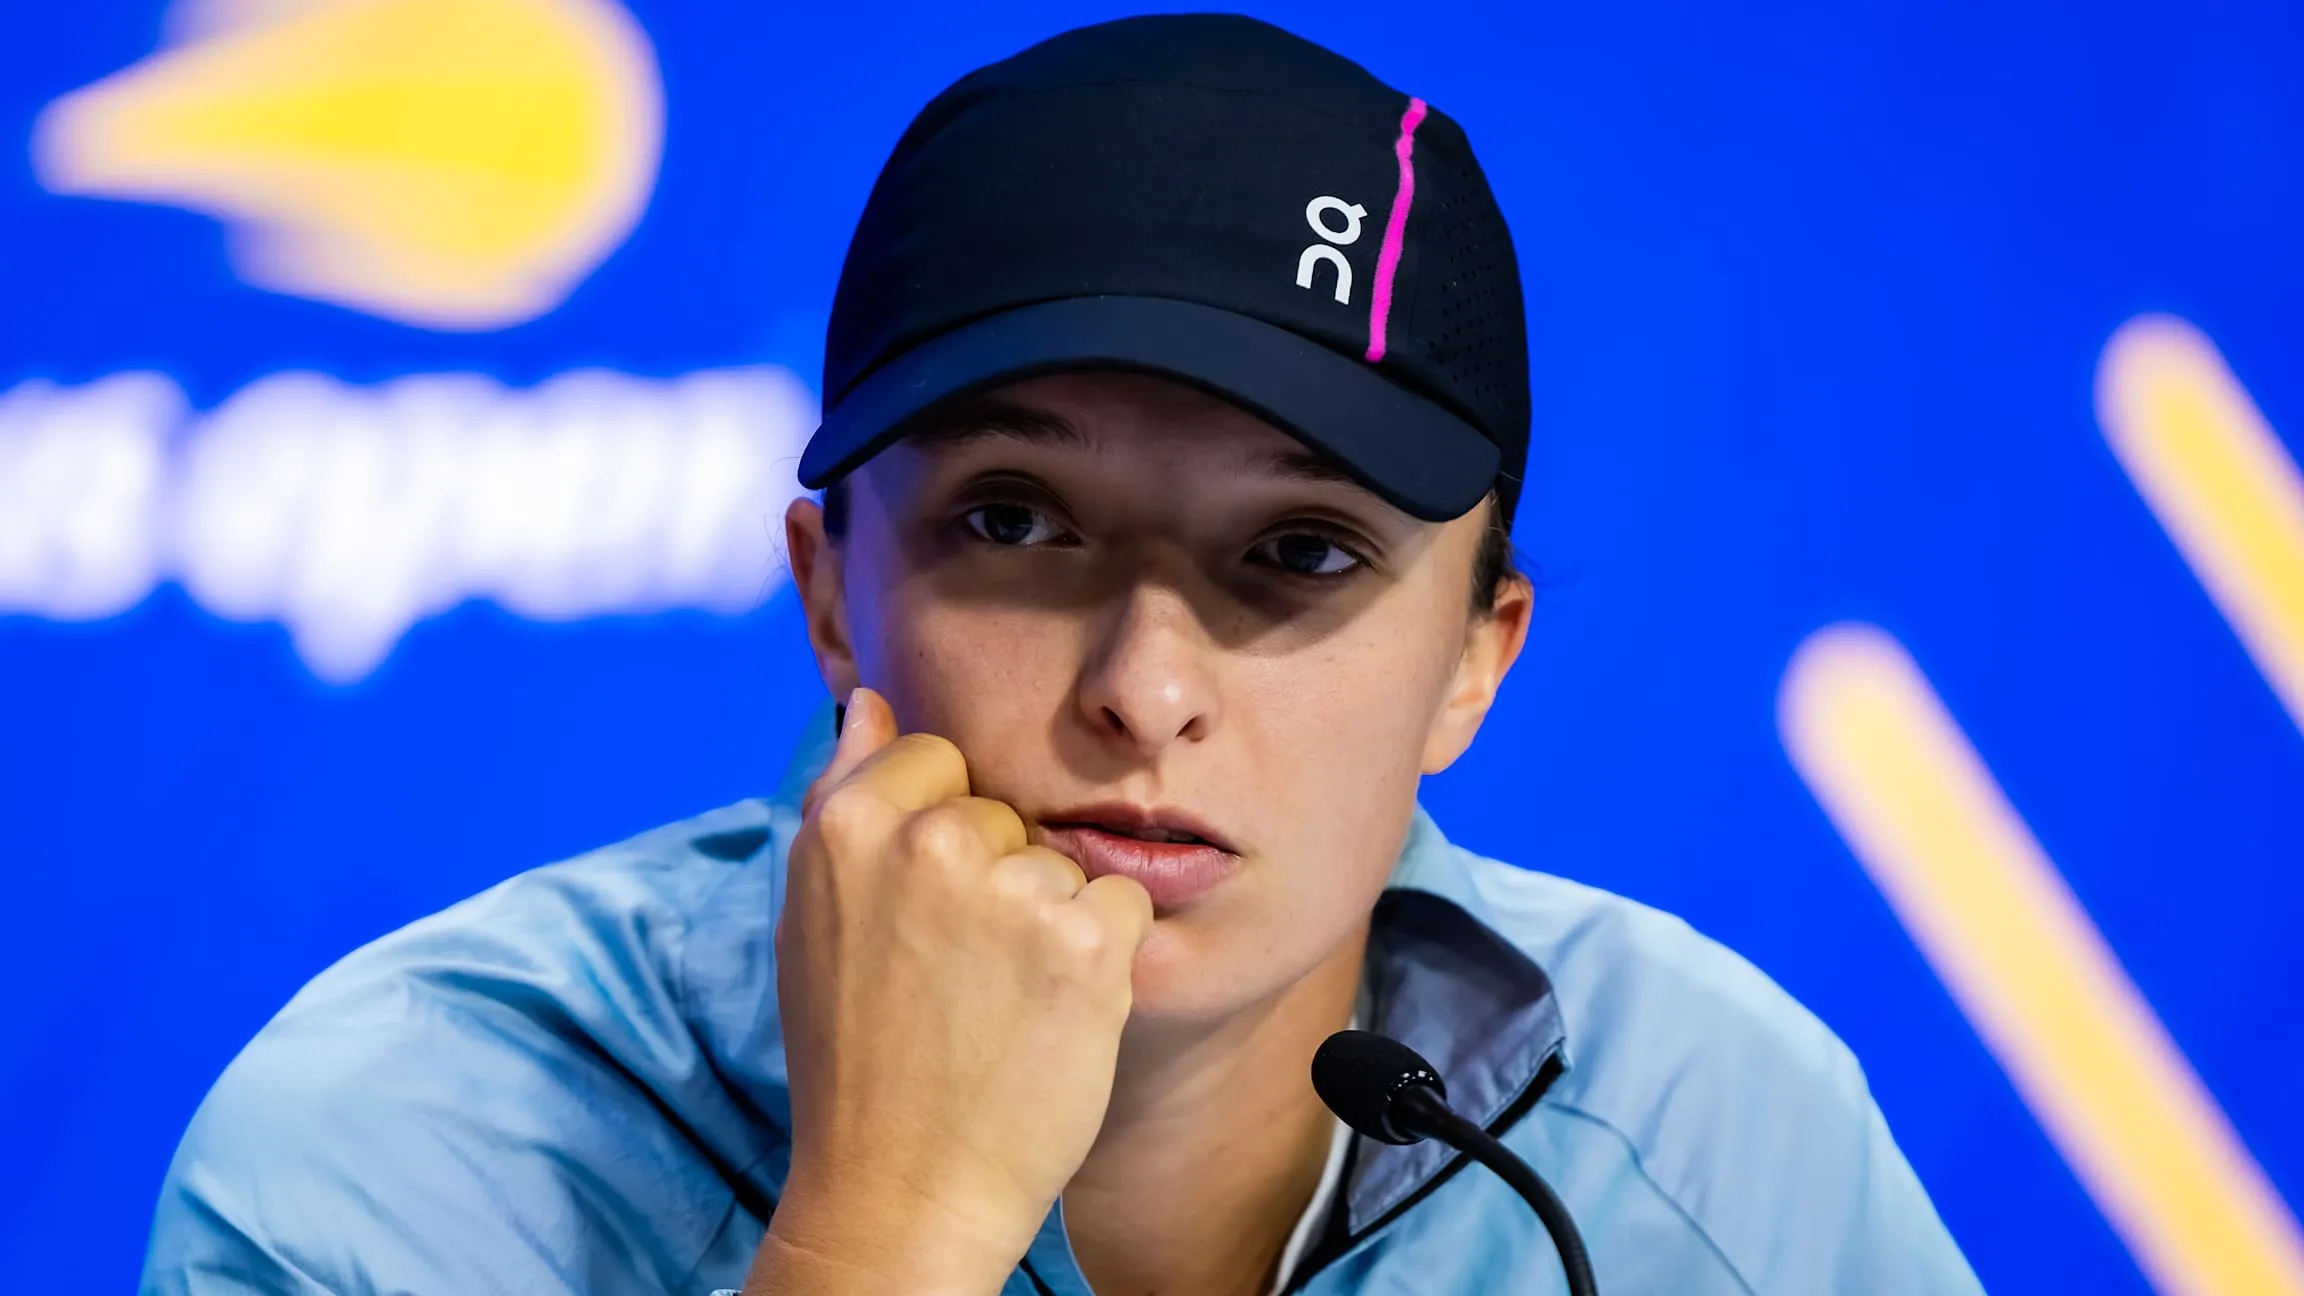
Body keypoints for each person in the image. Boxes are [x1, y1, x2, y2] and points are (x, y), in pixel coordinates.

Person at [142, 14, 1984, 1296]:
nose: (1145, 688)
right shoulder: (406, 1147)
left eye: (1301, 550)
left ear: (1472, 664)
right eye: (1017, 520)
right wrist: (889, 1230)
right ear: (832, 593)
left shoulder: (1717, 1134)